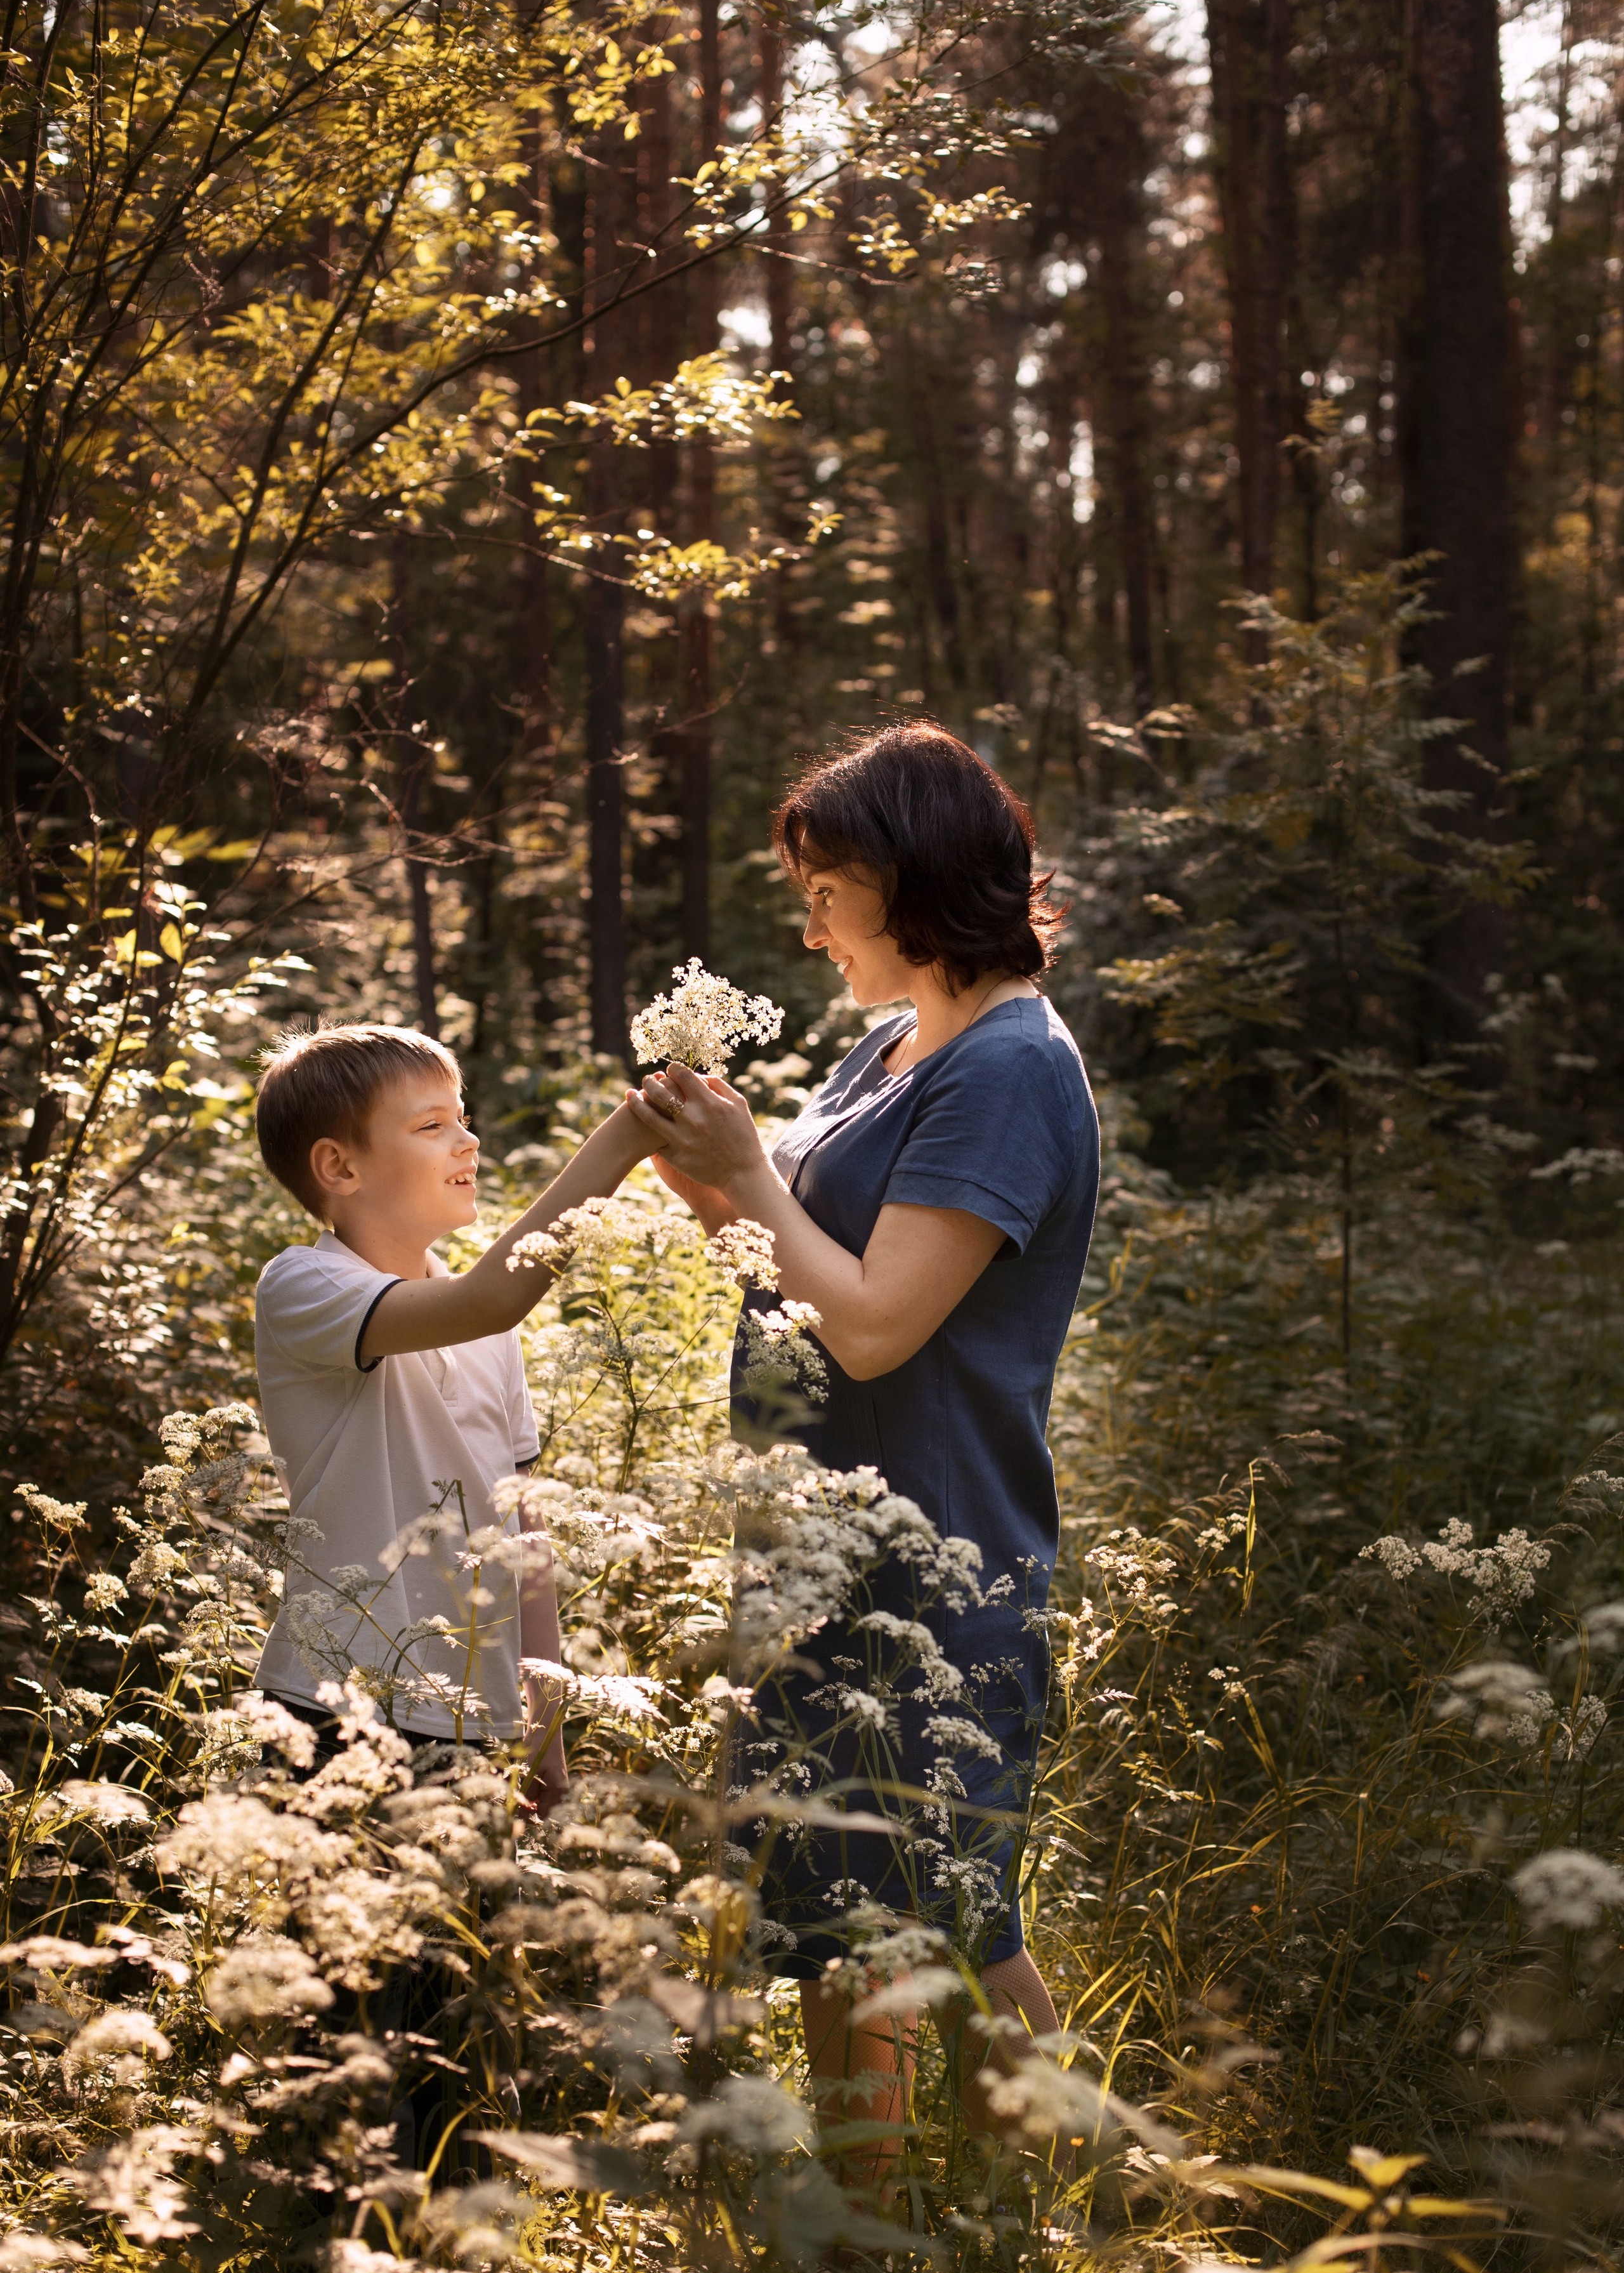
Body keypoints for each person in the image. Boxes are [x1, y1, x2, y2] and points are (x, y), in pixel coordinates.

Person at [625, 719, 1101, 2173]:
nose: (810, 918)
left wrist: (750, 1169)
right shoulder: (888, 1045)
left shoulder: (1008, 1067)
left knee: (910, 1925)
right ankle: (1019, 2215)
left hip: (931, 1550)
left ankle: (904, 2269)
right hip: (820, 1550)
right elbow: (797, 1263)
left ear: (909, 878)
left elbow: (880, 1322)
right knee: (859, 1917)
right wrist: (709, 1175)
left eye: (827, 883)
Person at [249, 1022, 649, 1805]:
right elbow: (492, 1297)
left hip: (475, 1719)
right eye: (432, 1126)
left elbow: (523, 1535)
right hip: (333, 1706)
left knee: (464, 1933)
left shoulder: (488, 1334)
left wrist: (544, 1725)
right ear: (339, 1165)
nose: (466, 1141)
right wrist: (624, 1138)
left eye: (462, 1118)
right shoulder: (304, 1287)